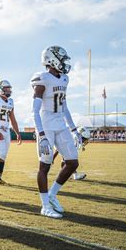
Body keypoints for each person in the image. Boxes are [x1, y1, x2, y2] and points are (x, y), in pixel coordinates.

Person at [31, 46, 82, 219]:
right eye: (61, 59)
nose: (64, 63)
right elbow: (34, 111)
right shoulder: (42, 78)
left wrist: (74, 129)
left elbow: (65, 106)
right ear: (51, 60)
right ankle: (45, 206)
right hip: (46, 125)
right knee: (44, 166)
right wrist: (42, 135)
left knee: (73, 162)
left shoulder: (64, 79)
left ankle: (52, 195)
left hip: (61, 124)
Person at [0, 80, 22, 185]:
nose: (8, 90)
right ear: (0, 90)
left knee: (4, 155)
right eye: (6, 88)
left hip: (6, 130)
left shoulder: (11, 101)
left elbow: (13, 119)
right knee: (1, 153)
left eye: (9, 88)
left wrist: (17, 133)